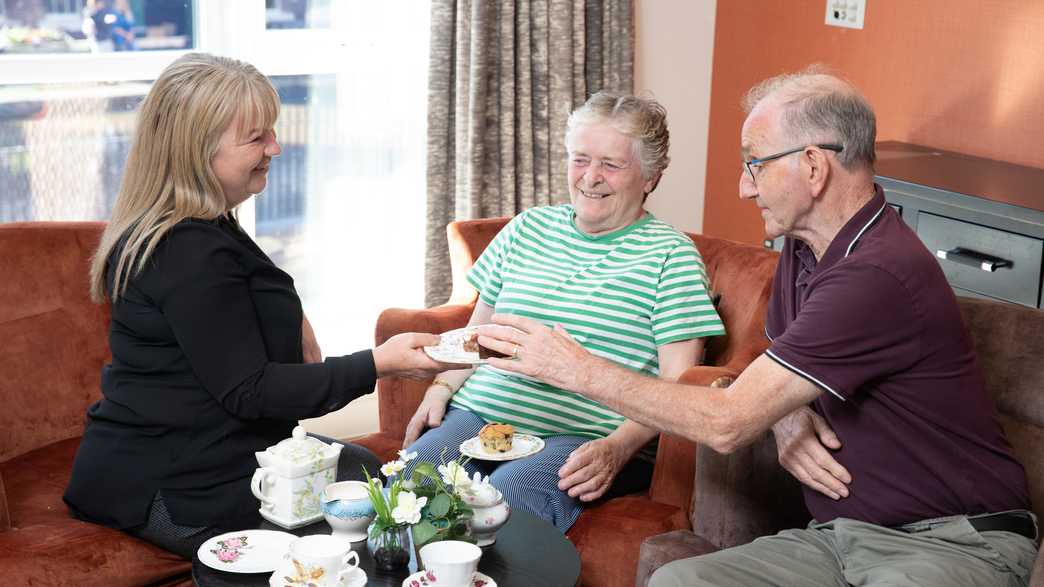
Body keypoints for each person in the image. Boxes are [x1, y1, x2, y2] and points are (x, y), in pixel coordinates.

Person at [476, 70, 1038, 586]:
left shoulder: (878, 274)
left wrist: (574, 368)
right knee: (679, 581)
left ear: (814, 166)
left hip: (953, 544)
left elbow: (726, 424)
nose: (745, 187)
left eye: (755, 163)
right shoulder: (804, 248)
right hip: (843, 536)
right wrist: (786, 416)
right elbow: (773, 367)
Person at [63, 53, 456, 559]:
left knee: (367, 473)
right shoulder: (187, 249)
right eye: (256, 138)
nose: (275, 146)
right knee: (376, 523)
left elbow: (234, 336)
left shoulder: (202, 224)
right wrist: (382, 363)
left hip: (209, 452)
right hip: (173, 482)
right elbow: (250, 390)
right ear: (195, 150)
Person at [399, 91, 725, 533]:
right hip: (482, 414)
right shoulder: (528, 228)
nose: (591, 177)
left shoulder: (671, 257)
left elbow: (678, 387)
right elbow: (478, 336)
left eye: (611, 164)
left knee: (506, 502)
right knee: (411, 480)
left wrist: (618, 447)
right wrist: (440, 388)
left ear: (650, 177)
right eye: (580, 159)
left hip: (583, 436)